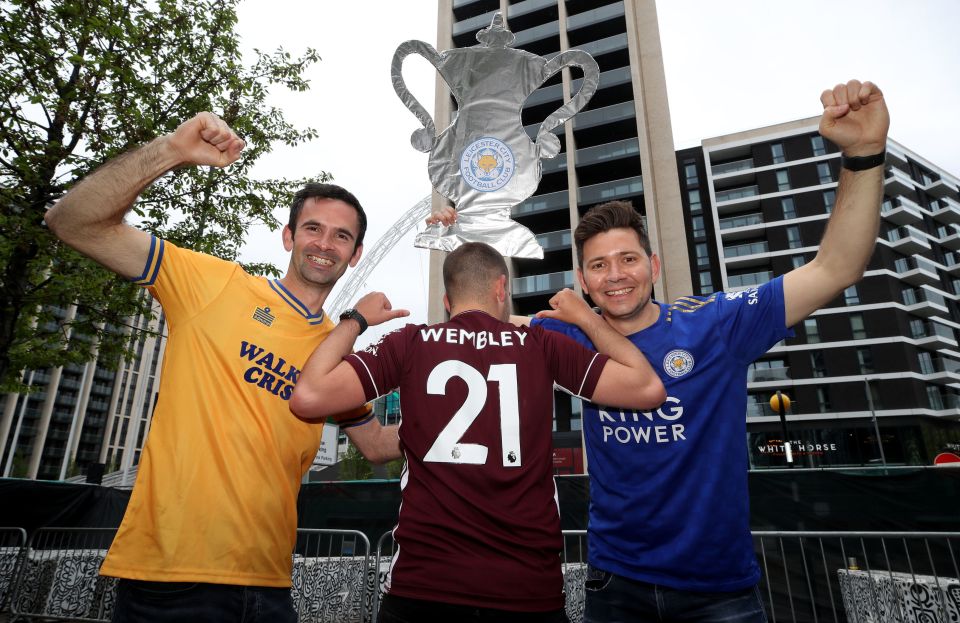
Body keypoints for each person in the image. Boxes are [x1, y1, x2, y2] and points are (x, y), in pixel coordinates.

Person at [522, 79, 889, 622]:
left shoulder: (716, 324)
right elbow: (476, 327)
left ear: (654, 265)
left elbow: (836, 268)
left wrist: (862, 156)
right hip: (614, 584)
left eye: (628, 260)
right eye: (598, 266)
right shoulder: (570, 334)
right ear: (581, 278)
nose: (615, 276)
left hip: (719, 592)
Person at [44, 112, 400, 623]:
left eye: (341, 236)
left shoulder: (334, 352)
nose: (325, 243)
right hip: (168, 577)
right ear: (288, 236)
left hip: (270, 583)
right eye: (313, 228)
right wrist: (169, 151)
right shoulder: (213, 284)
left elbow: (377, 446)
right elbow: (72, 222)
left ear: (356, 253)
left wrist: (471, 415)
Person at [289, 242, 667, 623]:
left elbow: (307, 396)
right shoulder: (541, 345)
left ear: (448, 299)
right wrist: (587, 318)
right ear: (501, 289)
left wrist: (355, 319)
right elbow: (647, 388)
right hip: (527, 589)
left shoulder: (412, 343)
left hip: (423, 587)